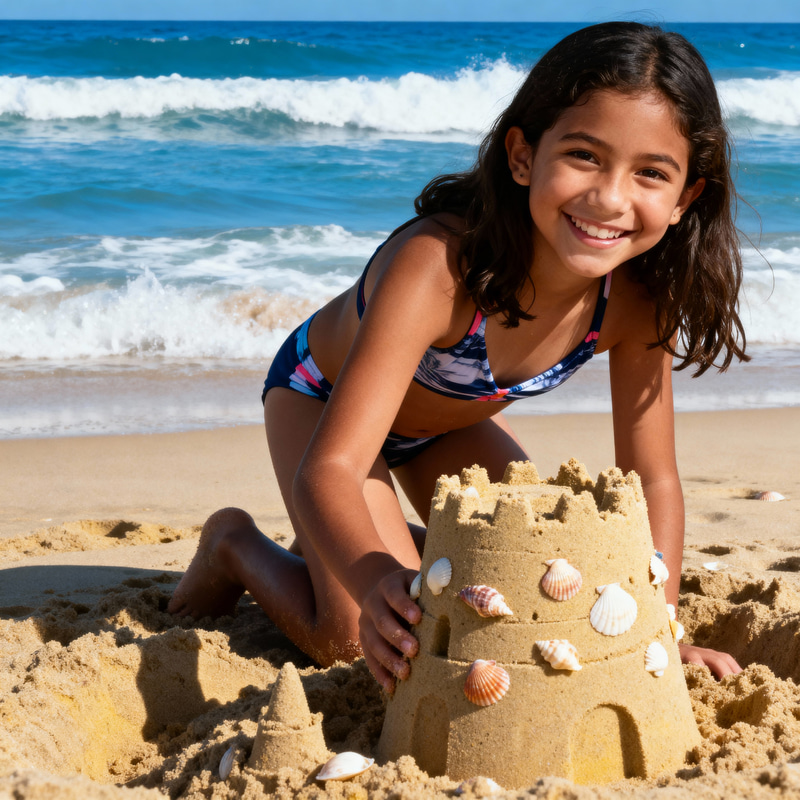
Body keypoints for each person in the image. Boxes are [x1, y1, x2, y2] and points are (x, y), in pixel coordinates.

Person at [169, 21, 748, 688]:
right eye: (584, 156)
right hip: (322, 405)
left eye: (651, 173)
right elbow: (330, 467)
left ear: (685, 198)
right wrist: (375, 579)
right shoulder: (439, 267)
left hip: (440, 430)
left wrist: (662, 627)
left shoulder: (640, 300)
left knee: (545, 579)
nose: (611, 198)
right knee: (357, 638)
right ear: (523, 155)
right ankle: (235, 545)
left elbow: (653, 478)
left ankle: (336, 543)